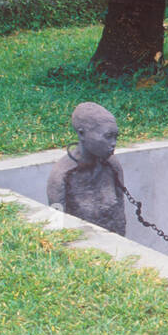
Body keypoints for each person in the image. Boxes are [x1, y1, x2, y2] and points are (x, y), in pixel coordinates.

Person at [46, 101, 127, 236]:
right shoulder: (61, 176)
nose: (113, 143)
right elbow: (56, 227)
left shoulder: (113, 166)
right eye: (107, 137)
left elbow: (120, 217)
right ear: (82, 134)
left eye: (115, 137)